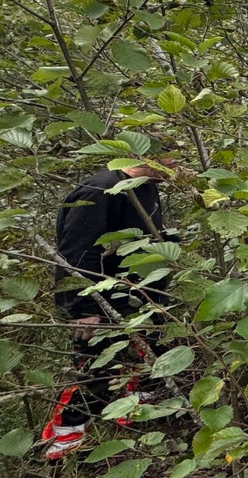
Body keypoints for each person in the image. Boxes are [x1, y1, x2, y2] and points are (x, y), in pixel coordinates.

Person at [44, 160, 172, 460]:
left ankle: (136, 421)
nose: (178, 167)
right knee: (95, 371)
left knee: (151, 360)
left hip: (140, 298)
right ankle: (64, 445)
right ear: (146, 159)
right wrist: (85, 308)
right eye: (173, 160)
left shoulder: (146, 189)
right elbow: (77, 251)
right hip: (102, 301)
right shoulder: (100, 190)